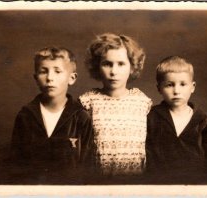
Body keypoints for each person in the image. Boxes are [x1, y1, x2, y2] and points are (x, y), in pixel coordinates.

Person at [11, 47, 94, 184]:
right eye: (43, 71)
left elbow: (86, 166)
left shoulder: (81, 117)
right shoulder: (25, 116)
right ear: (36, 78)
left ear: (71, 78)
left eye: (57, 71)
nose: (50, 78)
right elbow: (16, 164)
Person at [79, 33, 152, 184]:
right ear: (97, 67)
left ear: (132, 67)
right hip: (98, 180)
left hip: (136, 180)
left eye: (121, 64)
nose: (114, 71)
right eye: (107, 64)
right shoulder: (88, 101)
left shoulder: (142, 102)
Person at [146, 56, 207, 184]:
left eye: (183, 84)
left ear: (192, 87)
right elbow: (147, 151)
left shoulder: (202, 119)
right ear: (159, 88)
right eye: (169, 85)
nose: (177, 91)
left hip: (195, 180)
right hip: (160, 180)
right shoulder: (152, 116)